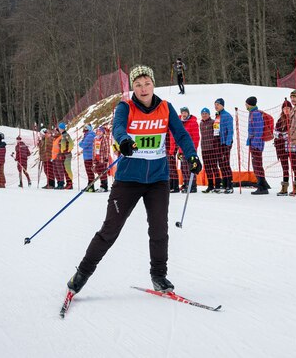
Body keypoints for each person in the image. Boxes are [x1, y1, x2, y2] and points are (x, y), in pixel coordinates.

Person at [66, 65, 201, 296]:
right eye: (138, 85)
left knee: (159, 230)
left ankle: (159, 276)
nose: (143, 88)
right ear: (133, 88)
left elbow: (181, 134)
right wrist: (125, 141)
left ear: (153, 84)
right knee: (110, 230)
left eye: (147, 83)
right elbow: (118, 127)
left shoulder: (165, 108)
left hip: (158, 180)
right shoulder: (125, 107)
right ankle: (81, 274)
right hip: (128, 180)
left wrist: (191, 156)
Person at [245, 96, 270, 195]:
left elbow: (259, 129)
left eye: (246, 104)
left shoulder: (255, 114)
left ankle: (262, 187)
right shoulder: (252, 113)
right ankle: (262, 185)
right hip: (254, 143)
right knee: (256, 164)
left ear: (249, 104)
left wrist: (255, 143)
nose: (245, 105)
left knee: (257, 165)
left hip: (256, 144)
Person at [212, 99, 235, 193]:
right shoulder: (217, 116)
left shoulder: (227, 116)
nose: (216, 106)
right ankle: (224, 184)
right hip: (217, 142)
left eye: (218, 104)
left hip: (224, 143)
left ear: (222, 105)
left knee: (225, 163)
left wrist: (228, 143)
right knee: (221, 164)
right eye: (215, 104)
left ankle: (230, 184)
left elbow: (230, 131)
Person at [178, 107, 200, 193]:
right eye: (182, 113)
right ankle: (186, 183)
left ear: (188, 113)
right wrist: (179, 150)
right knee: (183, 168)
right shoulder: (180, 123)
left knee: (190, 167)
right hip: (182, 149)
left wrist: (194, 149)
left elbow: (196, 137)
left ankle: (192, 185)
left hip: (190, 149)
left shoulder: (192, 122)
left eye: (185, 112)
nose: (183, 114)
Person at [274, 100, 293, 196]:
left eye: (288, 108)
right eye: (284, 108)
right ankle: (284, 187)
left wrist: (284, 135)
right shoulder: (280, 120)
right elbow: (275, 132)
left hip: (292, 147)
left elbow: (293, 132)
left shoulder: (293, 118)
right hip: (281, 147)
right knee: (285, 168)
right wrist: (279, 135)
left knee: (295, 167)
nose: (286, 110)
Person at [198, 108, 219, 193]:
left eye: (206, 113)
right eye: (202, 114)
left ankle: (218, 185)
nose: (204, 115)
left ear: (209, 114)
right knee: (207, 168)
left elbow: (217, 133)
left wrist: (215, 145)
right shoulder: (201, 123)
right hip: (204, 148)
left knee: (214, 167)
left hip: (212, 148)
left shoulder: (213, 122)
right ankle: (210, 185)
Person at [92, 126, 111, 192]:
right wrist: (94, 157)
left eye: (100, 131)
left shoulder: (104, 138)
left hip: (102, 158)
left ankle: (104, 186)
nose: (99, 133)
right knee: (99, 172)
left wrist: (106, 157)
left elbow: (107, 148)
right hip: (96, 157)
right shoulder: (95, 139)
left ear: (103, 132)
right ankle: (102, 185)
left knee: (103, 172)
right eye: (98, 131)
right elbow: (94, 148)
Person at [79, 125, 96, 191]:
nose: (84, 131)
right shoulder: (88, 135)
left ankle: (91, 186)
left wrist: (81, 142)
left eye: (85, 130)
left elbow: (83, 145)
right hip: (88, 156)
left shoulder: (90, 136)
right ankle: (90, 185)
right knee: (89, 172)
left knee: (89, 172)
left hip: (89, 156)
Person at [58, 123, 74, 190]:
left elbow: (71, 143)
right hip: (63, 154)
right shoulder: (62, 135)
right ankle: (68, 183)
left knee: (67, 169)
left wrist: (68, 150)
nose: (59, 129)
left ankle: (70, 183)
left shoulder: (66, 135)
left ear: (62, 128)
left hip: (67, 154)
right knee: (65, 169)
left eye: (59, 128)